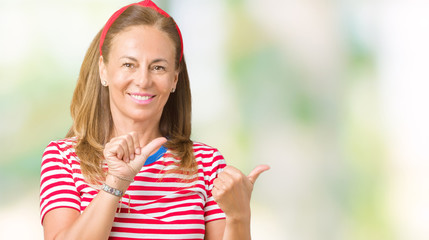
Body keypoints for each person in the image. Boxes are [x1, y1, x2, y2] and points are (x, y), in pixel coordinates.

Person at [39, 1, 269, 239]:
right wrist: (116, 182)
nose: (143, 80)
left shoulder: (207, 165)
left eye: (158, 68)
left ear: (174, 79)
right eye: (129, 64)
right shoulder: (63, 158)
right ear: (103, 69)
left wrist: (239, 216)